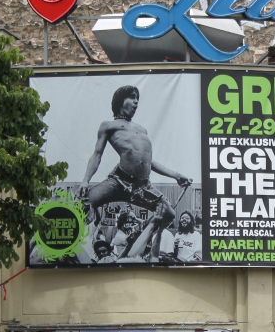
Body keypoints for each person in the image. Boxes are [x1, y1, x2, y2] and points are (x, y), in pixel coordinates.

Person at [79, 87, 191, 250]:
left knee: (169, 214)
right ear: (120, 101)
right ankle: (77, 247)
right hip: (118, 181)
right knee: (81, 202)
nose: (136, 101)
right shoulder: (108, 125)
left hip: (143, 186)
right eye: (132, 97)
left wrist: (176, 175)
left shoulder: (142, 130)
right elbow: (97, 155)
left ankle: (140, 239)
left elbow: (148, 162)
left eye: (137, 98)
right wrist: (85, 180)